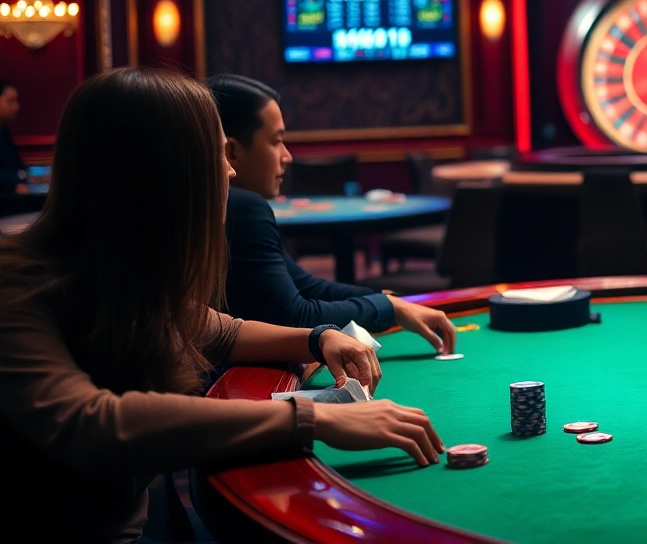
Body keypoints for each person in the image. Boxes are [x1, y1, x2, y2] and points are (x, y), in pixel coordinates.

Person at [0, 68, 444, 543]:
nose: (230, 171)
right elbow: (90, 423)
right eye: (216, 154)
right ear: (163, 173)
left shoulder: (121, 271)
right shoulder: (14, 282)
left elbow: (221, 330)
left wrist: (319, 338)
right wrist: (316, 417)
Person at [206, 74, 456, 354]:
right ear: (231, 151)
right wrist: (386, 306)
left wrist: (389, 302)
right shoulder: (243, 207)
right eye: (276, 142)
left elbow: (307, 286)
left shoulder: (237, 207)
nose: (287, 156)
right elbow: (296, 316)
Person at [0, 80, 29, 194]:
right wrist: (20, 178)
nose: (17, 107)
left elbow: (17, 165)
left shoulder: (4, 131)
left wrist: (30, 175)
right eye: (10, 101)